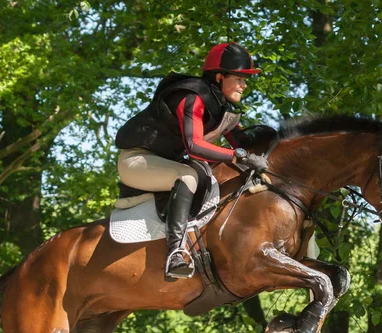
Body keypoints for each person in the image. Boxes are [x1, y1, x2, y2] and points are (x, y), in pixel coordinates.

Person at [115, 42, 269, 281]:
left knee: (203, 174)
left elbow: (240, 139)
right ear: (219, 77)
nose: (244, 84)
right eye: (239, 78)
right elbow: (194, 146)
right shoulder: (192, 98)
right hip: (137, 160)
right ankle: (175, 253)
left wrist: (277, 137)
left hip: (162, 162)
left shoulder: (221, 107)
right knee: (187, 176)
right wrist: (238, 156)